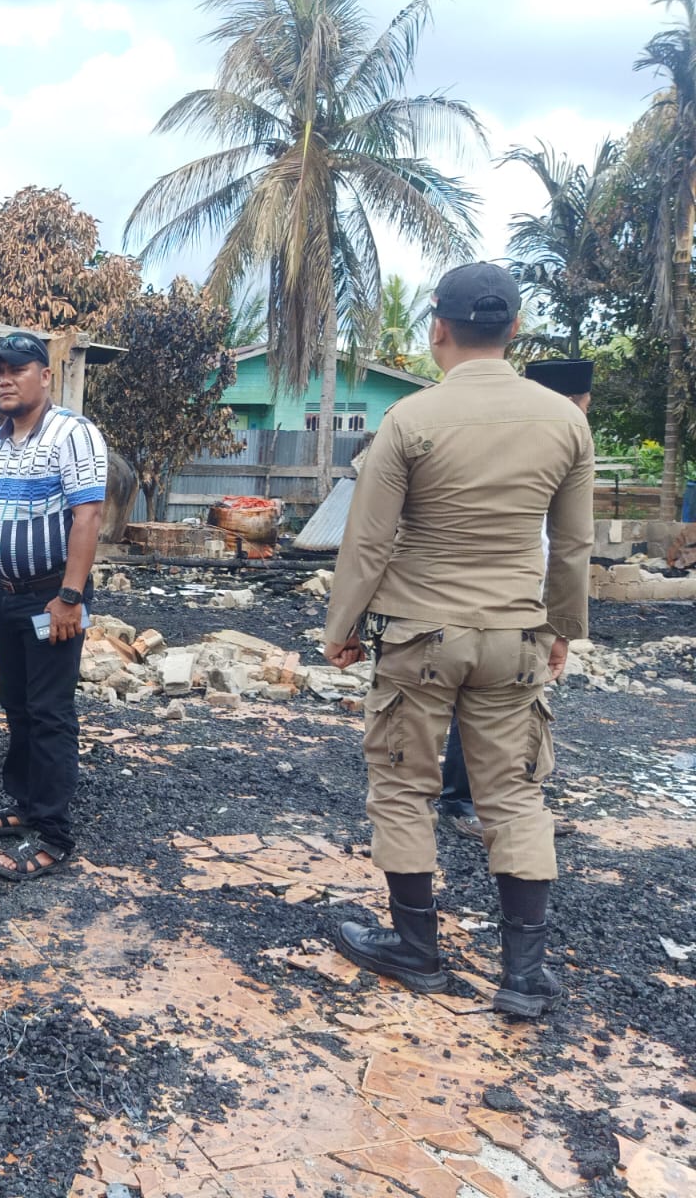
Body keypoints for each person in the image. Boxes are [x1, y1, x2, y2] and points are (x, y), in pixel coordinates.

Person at [324, 262, 594, 1017]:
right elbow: (571, 547)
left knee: (405, 788)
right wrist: (562, 631)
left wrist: (341, 628)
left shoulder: (411, 419)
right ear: (514, 329)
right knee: (514, 795)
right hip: (514, 636)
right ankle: (523, 976)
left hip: (420, 637)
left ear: (435, 326)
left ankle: (417, 951)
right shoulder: (565, 421)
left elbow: (369, 543)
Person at [0, 332, 107, 881]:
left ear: (44, 375)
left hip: (51, 596)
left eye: (16, 368)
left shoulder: (72, 435)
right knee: (16, 706)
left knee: (50, 714)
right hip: (5, 596)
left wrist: (70, 598)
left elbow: (87, 518)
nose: (4, 379)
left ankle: (54, 834)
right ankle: (25, 807)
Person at [437, 357, 592, 841]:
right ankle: (464, 799)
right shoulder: (549, 437)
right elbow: (573, 544)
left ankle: (511, 799)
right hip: (502, 592)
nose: (585, 413)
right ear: (568, 401)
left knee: (516, 701)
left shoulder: (545, 439)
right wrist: (562, 625)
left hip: (521, 588)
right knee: (489, 693)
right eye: (583, 404)